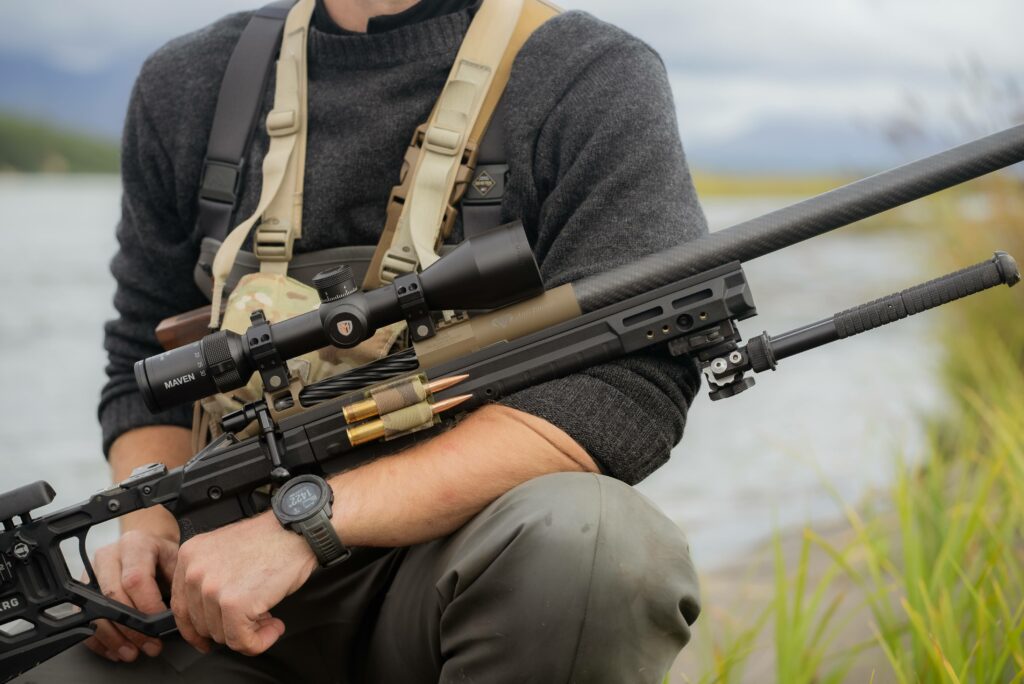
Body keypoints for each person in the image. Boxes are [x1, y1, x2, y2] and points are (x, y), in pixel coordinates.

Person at [19, 0, 707, 681]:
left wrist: (311, 526)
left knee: (594, 546)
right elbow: (144, 367)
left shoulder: (589, 74)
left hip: (460, 579)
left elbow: (632, 382)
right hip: (216, 598)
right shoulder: (188, 81)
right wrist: (147, 535)